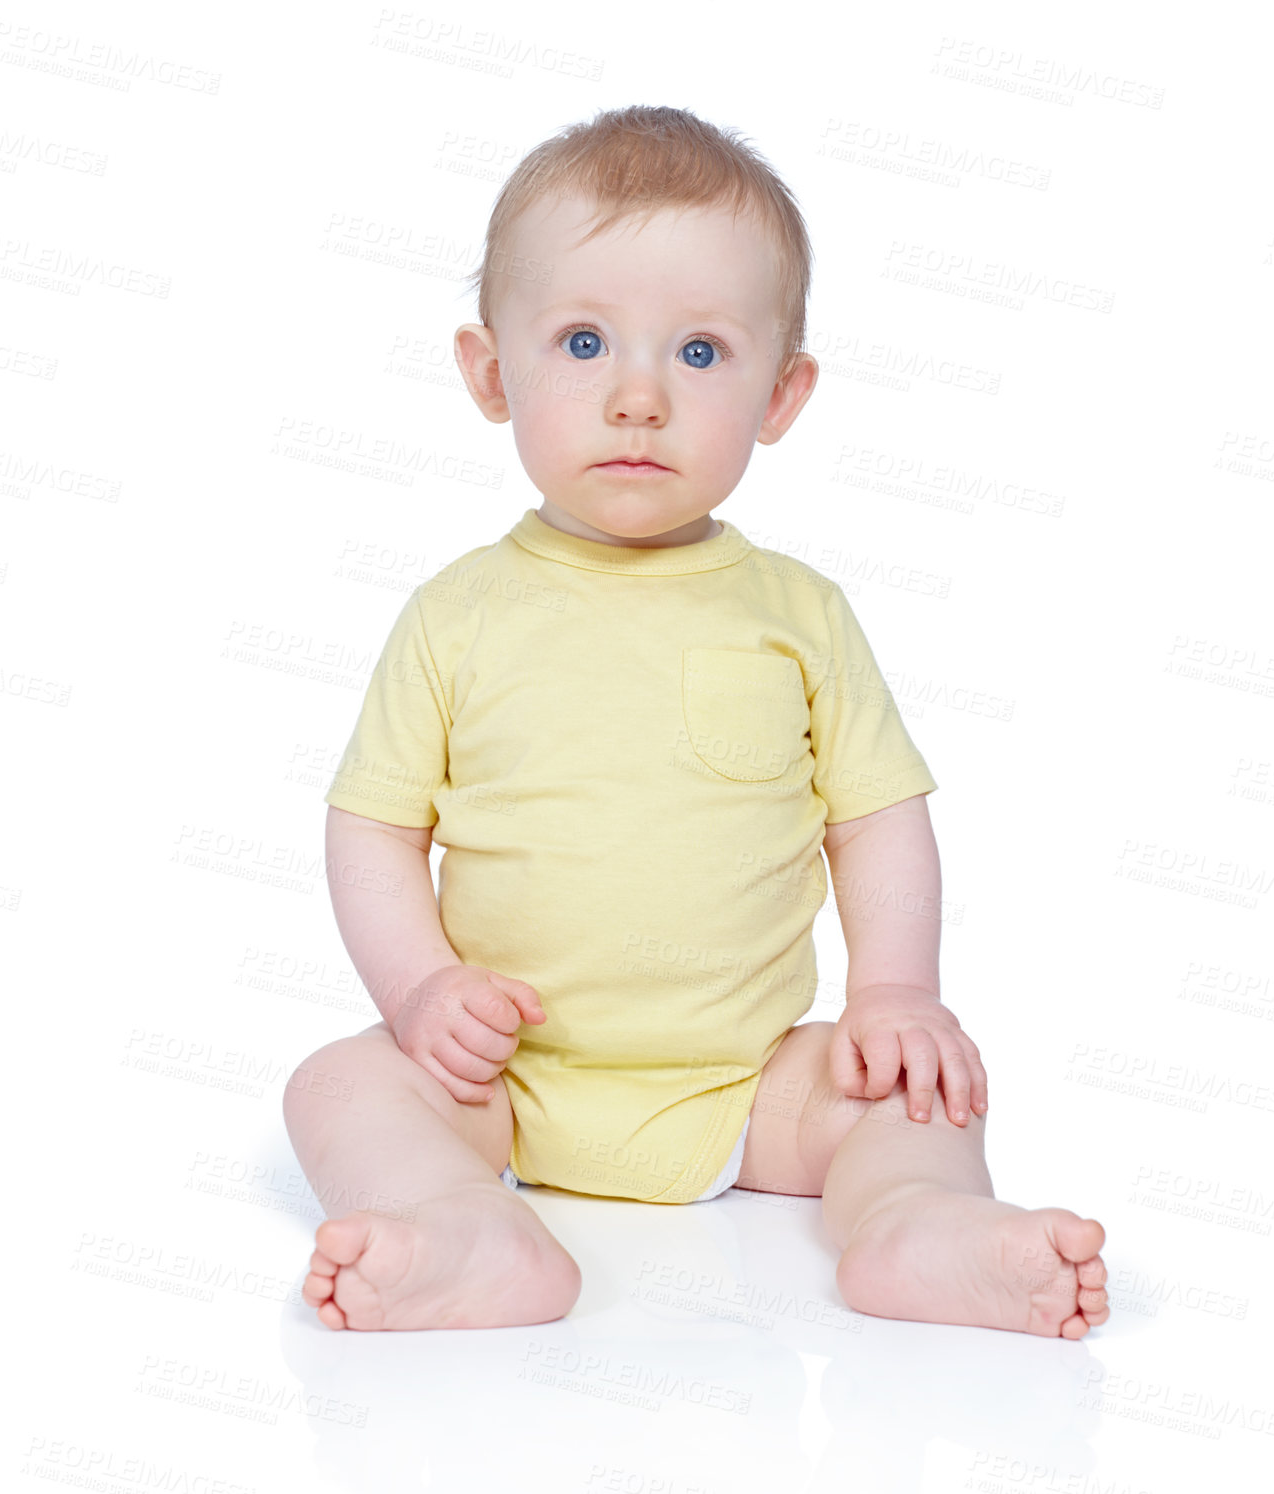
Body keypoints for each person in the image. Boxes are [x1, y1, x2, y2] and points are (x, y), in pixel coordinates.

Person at [283, 104, 1110, 1337]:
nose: (636, 398)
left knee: (914, 1096)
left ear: (782, 395)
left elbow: (879, 820)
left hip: (748, 1081)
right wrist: (419, 993)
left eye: (702, 355)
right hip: (500, 1081)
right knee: (338, 1085)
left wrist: (897, 992)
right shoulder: (455, 616)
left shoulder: (799, 614)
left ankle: (915, 1229)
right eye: (581, 340)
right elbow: (371, 831)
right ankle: (465, 1226)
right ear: (489, 373)